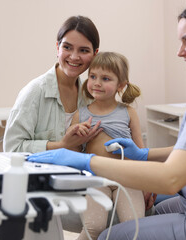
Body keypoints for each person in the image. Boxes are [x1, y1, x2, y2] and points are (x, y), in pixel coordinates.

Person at [27, 0, 186, 239]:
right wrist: (144, 153)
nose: (180, 51)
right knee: (150, 211)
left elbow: (171, 179)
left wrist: (84, 160)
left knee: (107, 236)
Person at [70, 52, 146, 240]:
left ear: (121, 85)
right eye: (93, 77)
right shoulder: (80, 116)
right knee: (93, 228)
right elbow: (72, 153)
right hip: (95, 180)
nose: (97, 83)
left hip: (127, 179)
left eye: (105, 78)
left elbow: (141, 151)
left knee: (134, 228)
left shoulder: (128, 113)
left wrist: (146, 183)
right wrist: (75, 134)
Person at [3, 16, 102, 153]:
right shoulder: (35, 92)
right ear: (57, 47)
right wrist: (61, 145)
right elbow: (12, 148)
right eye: (67, 47)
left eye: (83, 50)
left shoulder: (90, 97)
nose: (74, 57)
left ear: (95, 55)